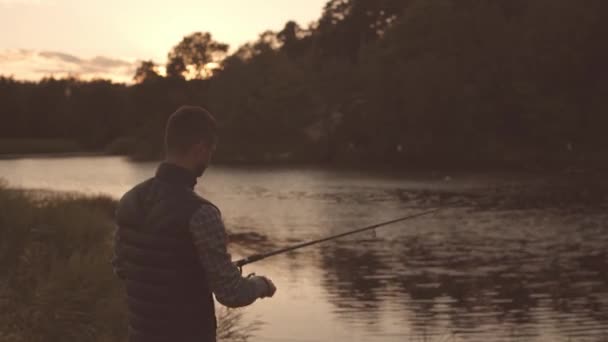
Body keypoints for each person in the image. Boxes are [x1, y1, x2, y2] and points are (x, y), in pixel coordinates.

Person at [112, 105, 276, 342]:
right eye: (211, 150)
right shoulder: (201, 213)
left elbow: (122, 268)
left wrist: (191, 273)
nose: (210, 159)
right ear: (200, 148)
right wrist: (260, 285)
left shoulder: (130, 200)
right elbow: (231, 293)